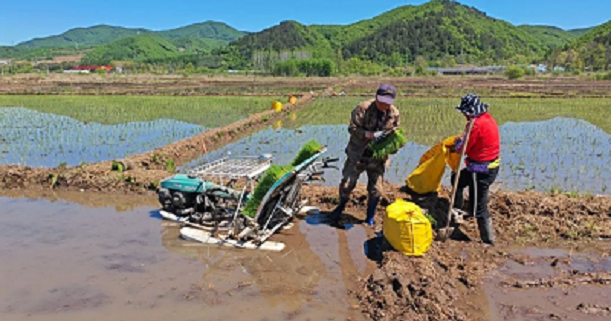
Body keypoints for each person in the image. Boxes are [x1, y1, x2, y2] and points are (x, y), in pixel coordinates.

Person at [329, 84, 400, 226]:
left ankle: (370, 217)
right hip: (358, 154)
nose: (384, 105)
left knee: (377, 190)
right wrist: (367, 134)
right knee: (347, 183)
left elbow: (395, 132)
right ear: (376, 97)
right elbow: (352, 128)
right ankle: (340, 208)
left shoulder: (394, 113)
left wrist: (392, 144)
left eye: (387, 102)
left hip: (377, 157)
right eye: (381, 101)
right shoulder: (363, 108)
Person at [451, 94, 500, 245]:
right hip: (489, 166)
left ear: (469, 111)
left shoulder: (476, 125)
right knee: (456, 179)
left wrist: (456, 145)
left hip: (480, 170)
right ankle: (457, 211)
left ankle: (488, 240)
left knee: (480, 207)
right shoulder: (486, 118)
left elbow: (464, 148)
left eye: (464, 112)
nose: (464, 115)